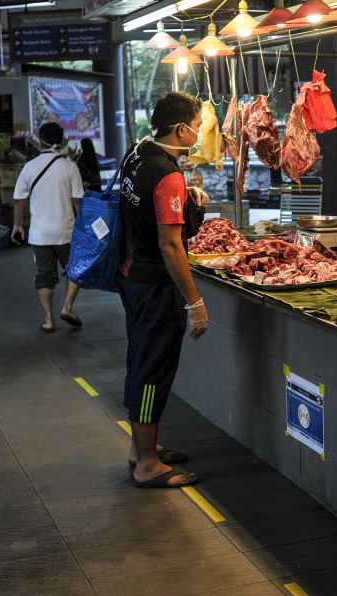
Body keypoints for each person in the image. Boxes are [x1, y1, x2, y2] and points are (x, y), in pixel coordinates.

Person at [117, 91, 212, 489]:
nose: (200, 132)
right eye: (198, 126)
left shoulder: (137, 154)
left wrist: (187, 201)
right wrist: (196, 301)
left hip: (131, 274)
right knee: (153, 369)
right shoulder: (169, 175)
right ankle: (147, 465)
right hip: (156, 285)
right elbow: (171, 244)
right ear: (181, 129)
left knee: (141, 361)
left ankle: (143, 450)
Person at [12, 122, 85, 333]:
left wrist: (17, 226)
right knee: (75, 270)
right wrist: (85, 229)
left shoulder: (29, 167)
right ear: (61, 140)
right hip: (66, 231)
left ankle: (49, 320)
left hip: (39, 234)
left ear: (39, 140)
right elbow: (77, 202)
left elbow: (19, 200)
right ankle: (67, 307)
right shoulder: (70, 167)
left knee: (44, 276)